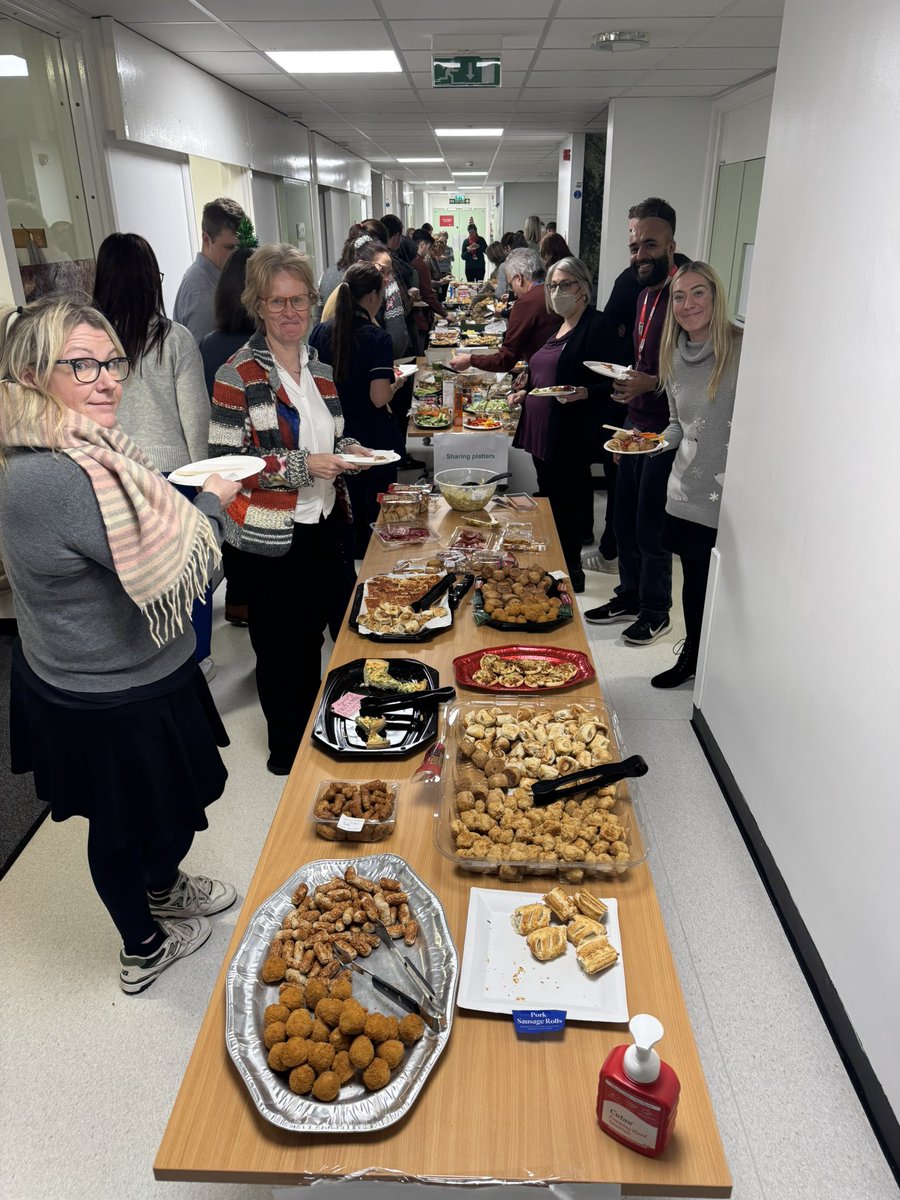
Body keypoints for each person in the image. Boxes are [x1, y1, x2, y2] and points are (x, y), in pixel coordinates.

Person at [0, 297, 241, 995]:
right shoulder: (56, 472)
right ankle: (142, 945)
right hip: (106, 692)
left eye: (111, 362)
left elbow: (138, 515)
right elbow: (192, 564)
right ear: (29, 371)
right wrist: (215, 500)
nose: (108, 379)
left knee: (168, 808)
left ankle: (160, 888)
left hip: (126, 671)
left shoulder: (68, 442)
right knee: (124, 824)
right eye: (82, 365)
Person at [208, 244, 374, 776]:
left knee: (346, 636)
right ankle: (291, 755)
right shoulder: (237, 375)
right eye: (276, 302)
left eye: (299, 300)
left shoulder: (318, 367)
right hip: (271, 537)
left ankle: (341, 730)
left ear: (312, 301)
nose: (289, 312)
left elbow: (336, 435)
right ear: (257, 305)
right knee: (286, 653)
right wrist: (308, 466)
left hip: (326, 524)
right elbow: (229, 464)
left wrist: (352, 454)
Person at [92, 232, 217, 677]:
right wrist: (206, 480)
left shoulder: (87, 345)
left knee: (132, 573)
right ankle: (196, 658)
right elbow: (195, 418)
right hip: (174, 474)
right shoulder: (173, 339)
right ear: (151, 280)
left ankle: (148, 657)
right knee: (190, 568)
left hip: (110, 472)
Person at [585, 202, 679, 645]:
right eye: (635, 245)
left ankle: (656, 609)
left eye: (650, 244)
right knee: (622, 521)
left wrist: (653, 383)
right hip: (634, 425)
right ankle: (629, 594)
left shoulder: (683, 294)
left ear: (671, 245)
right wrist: (628, 386)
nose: (640, 253)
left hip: (666, 431)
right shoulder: (641, 294)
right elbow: (643, 361)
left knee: (649, 527)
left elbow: (696, 371)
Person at [651, 262, 742, 687]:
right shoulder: (671, 354)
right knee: (693, 580)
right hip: (686, 488)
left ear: (716, 295)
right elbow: (677, 425)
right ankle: (692, 654)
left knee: (732, 586)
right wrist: (649, 443)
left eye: (699, 293)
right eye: (680, 296)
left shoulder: (743, 349)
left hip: (732, 493)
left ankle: (723, 665)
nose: (688, 304)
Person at [506, 257, 618, 593]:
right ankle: (558, 566)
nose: (557, 291)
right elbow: (546, 371)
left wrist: (585, 391)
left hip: (568, 434)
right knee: (552, 502)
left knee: (566, 507)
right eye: (553, 286)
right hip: (541, 431)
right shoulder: (561, 325)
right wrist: (525, 388)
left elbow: (615, 381)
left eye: (565, 284)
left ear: (583, 288)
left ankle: (570, 574)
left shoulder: (597, 326)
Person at [309, 262, 406, 556]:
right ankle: (374, 568)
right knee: (376, 515)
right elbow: (378, 398)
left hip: (334, 435)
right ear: (374, 296)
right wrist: (396, 385)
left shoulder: (319, 333)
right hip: (371, 438)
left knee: (345, 510)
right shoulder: (377, 338)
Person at [199, 246, 257, 627]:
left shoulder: (208, 343)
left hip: (222, 450)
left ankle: (237, 600)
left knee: (233, 524)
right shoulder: (260, 348)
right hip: (264, 459)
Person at [448, 248, 557, 374]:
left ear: (519, 278)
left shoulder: (525, 303)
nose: (514, 293)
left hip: (545, 375)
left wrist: (470, 360)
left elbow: (506, 360)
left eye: (510, 285)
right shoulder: (555, 291)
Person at [173, 197, 248, 342]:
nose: (238, 255)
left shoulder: (219, 279)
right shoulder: (203, 293)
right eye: (230, 247)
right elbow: (205, 361)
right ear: (206, 239)